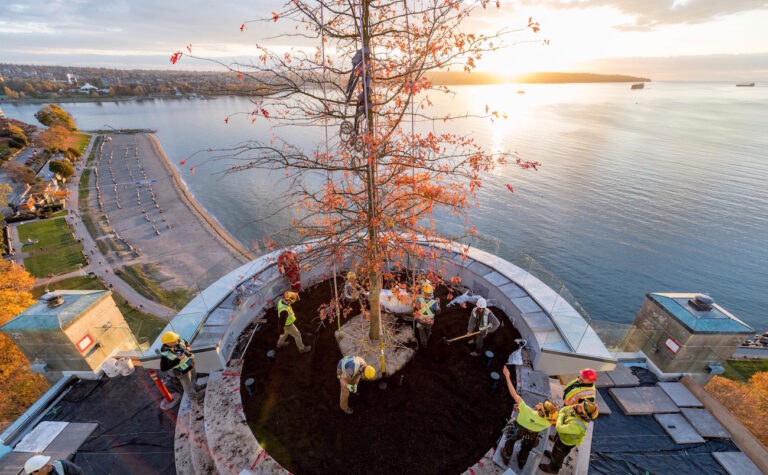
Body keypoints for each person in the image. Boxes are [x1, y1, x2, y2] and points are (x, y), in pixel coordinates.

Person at [500, 366, 559, 469]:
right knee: (527, 447)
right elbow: (550, 419)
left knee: (510, 441)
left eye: (542, 405)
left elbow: (514, 394)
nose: (540, 403)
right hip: (532, 434)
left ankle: (506, 455)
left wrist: (507, 376)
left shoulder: (527, 411)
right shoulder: (548, 421)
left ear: (541, 411)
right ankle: (522, 461)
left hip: (518, 429)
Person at [539, 400, 598, 474]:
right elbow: (565, 408)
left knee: (559, 455)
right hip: (563, 436)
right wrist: (563, 413)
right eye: (581, 404)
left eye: (581, 407)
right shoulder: (577, 409)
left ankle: (553, 469)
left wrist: (561, 415)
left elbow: (559, 427)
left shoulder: (578, 426)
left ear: (583, 415)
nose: (579, 405)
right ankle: (553, 456)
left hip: (565, 443)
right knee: (556, 451)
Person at [160, 331, 197, 396]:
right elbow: (164, 368)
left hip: (190, 365)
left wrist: (188, 346)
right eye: (174, 341)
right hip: (182, 372)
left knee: (193, 377)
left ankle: (195, 388)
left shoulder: (179, 340)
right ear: (168, 343)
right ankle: (193, 397)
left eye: (176, 339)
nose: (177, 342)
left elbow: (185, 342)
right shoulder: (165, 354)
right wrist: (178, 359)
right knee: (187, 385)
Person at [414, 282, 440, 348]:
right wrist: (438, 303)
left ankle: (424, 345)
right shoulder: (434, 303)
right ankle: (428, 341)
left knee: (421, 332)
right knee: (428, 331)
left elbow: (415, 309)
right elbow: (438, 312)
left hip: (420, 320)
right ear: (431, 293)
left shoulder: (418, 300)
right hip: (429, 321)